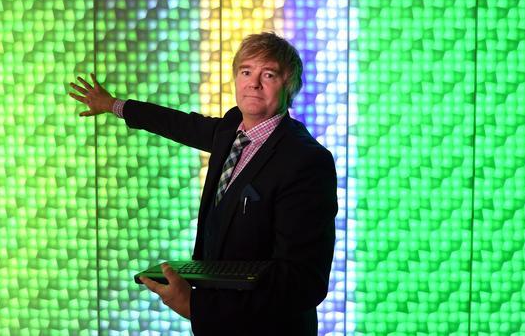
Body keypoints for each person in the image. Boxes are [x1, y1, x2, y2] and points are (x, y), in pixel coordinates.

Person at [69, 32, 337, 335]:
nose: (254, 83)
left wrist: (196, 307)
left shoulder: (306, 160)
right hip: (218, 325)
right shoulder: (230, 129)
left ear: (289, 86)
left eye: (269, 74)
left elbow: (303, 282)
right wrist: (114, 105)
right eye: (246, 72)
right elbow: (179, 124)